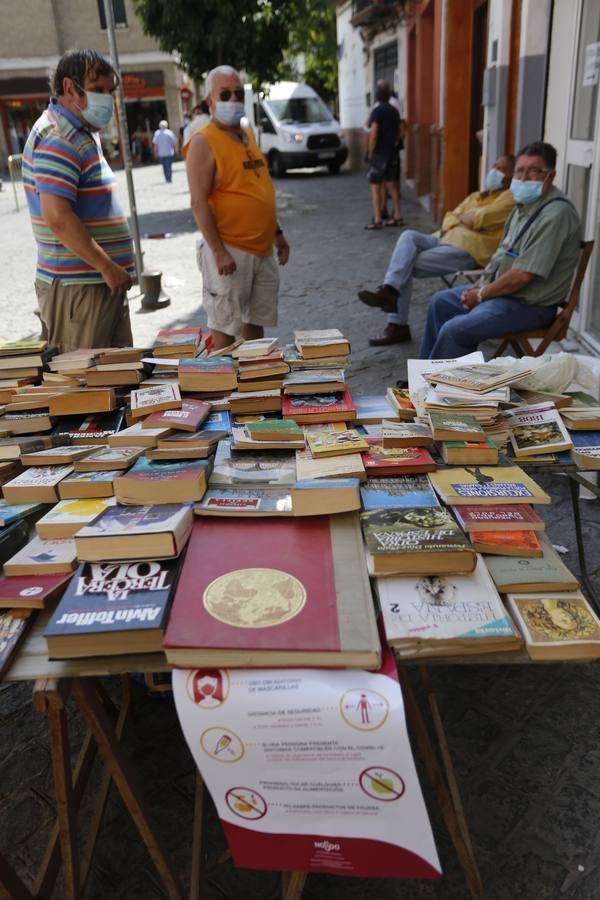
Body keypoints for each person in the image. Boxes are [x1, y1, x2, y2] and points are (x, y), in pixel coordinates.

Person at [419, 142, 582, 360]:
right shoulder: (522, 208)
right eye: (520, 170)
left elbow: (522, 276)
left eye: (534, 171)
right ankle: (421, 378)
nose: (523, 178)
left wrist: (480, 295)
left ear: (550, 176)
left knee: (455, 330)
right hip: (505, 295)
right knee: (441, 302)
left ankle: (438, 388)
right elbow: (501, 257)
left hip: (530, 306)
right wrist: (480, 285)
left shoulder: (555, 215)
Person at [22, 48, 135, 352]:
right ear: (70, 88)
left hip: (96, 285)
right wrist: (106, 266)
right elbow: (58, 217)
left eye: (110, 91)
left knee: (114, 381)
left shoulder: (80, 130)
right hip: (80, 290)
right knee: (86, 388)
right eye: (98, 90)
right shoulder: (59, 136)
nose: (106, 99)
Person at [359, 154, 516, 346]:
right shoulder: (477, 195)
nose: (494, 172)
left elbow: (481, 218)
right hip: (443, 237)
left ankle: (396, 322)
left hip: (470, 249)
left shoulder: (509, 197)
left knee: (404, 264)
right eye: (494, 166)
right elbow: (449, 217)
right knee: (408, 236)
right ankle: (390, 291)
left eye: (501, 169)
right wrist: (464, 220)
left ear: (511, 176)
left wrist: (468, 220)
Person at [185, 65, 290, 350]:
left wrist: (277, 233)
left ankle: (254, 381)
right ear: (211, 101)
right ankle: (221, 386)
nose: (233, 100)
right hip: (229, 250)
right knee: (224, 325)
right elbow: (198, 201)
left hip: (261, 249)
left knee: (255, 321)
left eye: (238, 94)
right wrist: (218, 252)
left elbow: (257, 186)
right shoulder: (203, 142)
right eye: (225, 94)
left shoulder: (247, 134)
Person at [365, 81, 403, 230]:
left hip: (379, 154)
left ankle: (378, 219)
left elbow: (373, 133)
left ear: (377, 95)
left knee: (375, 186)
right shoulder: (395, 111)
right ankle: (398, 216)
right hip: (392, 153)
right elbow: (400, 131)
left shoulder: (377, 111)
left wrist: (370, 152)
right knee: (392, 185)